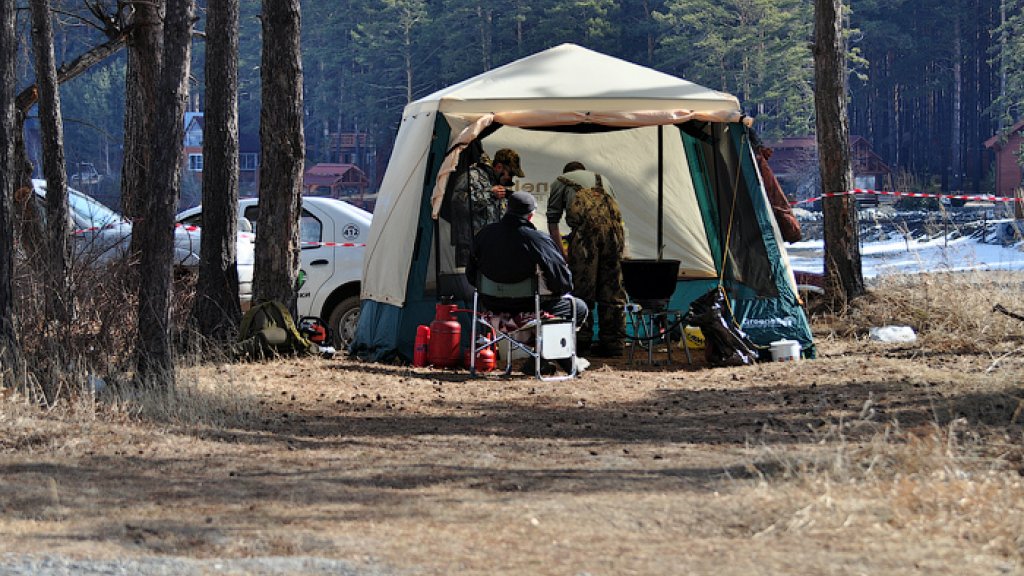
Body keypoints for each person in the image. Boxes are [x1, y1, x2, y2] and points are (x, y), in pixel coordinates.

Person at [466, 191, 589, 373]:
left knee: (550, 310)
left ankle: (539, 361)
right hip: (527, 309)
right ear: (531, 215)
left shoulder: (484, 235)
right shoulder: (538, 240)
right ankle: (562, 361)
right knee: (577, 307)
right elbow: (563, 283)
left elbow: (471, 276)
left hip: (492, 309)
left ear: (506, 209)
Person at [546, 161, 626, 357]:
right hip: (614, 237)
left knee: (582, 289)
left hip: (585, 240)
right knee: (612, 290)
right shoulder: (603, 180)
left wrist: (561, 253)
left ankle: (581, 342)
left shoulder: (560, 181)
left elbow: (552, 221)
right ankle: (614, 342)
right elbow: (616, 216)